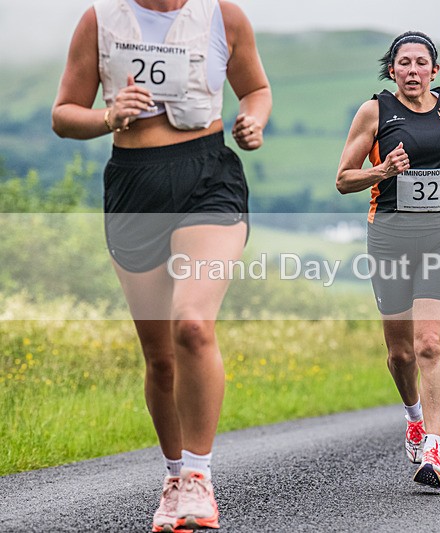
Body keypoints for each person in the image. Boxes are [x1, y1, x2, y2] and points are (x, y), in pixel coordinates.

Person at [52, 1, 271, 530]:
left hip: (208, 177)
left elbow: (256, 90)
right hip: (134, 184)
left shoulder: (225, 17)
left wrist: (253, 121)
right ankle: (174, 478)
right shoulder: (99, 20)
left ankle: (199, 476)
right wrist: (107, 116)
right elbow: (64, 114)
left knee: (192, 326)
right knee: (160, 356)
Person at [335, 31, 440, 489]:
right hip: (390, 237)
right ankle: (414, 415)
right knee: (400, 353)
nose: (414, 70)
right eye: (405, 63)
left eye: (422, 63)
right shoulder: (375, 111)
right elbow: (343, 179)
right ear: (393, 70)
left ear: (434, 71)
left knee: (429, 344)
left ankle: (433, 450)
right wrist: (381, 170)